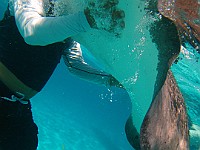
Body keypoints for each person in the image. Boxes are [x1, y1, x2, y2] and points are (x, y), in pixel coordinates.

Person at [0, 0, 125, 149]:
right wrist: (89, 18)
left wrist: (112, 80)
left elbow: (75, 65)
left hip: (18, 105)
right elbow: (31, 32)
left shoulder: (66, 19)